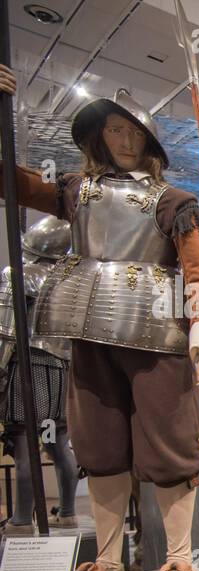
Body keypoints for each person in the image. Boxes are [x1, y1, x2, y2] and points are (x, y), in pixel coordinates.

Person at [1, 64, 199, 571]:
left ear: (148, 139)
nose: (123, 140)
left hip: (158, 341)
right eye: (114, 130)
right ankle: (106, 561)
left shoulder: (175, 203)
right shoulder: (78, 192)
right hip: (90, 332)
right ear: (98, 135)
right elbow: (10, 180)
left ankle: (177, 559)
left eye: (132, 131)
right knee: (99, 448)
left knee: (170, 451)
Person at [0, 215, 80, 535]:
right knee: (59, 443)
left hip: (26, 365)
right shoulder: (70, 281)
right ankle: (69, 512)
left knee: (24, 445)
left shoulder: (16, 273)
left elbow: (6, 330)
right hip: (61, 369)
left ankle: (21, 520)